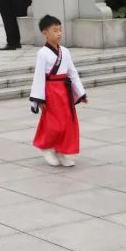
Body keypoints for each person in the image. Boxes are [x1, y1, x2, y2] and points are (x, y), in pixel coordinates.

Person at [29, 15, 87, 167]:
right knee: (54, 123)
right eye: (55, 30)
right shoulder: (42, 53)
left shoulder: (65, 51)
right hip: (51, 91)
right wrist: (39, 98)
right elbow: (39, 76)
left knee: (67, 122)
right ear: (45, 32)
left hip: (64, 91)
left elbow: (72, 73)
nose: (59, 33)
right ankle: (47, 148)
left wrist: (81, 92)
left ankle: (62, 151)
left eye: (60, 30)